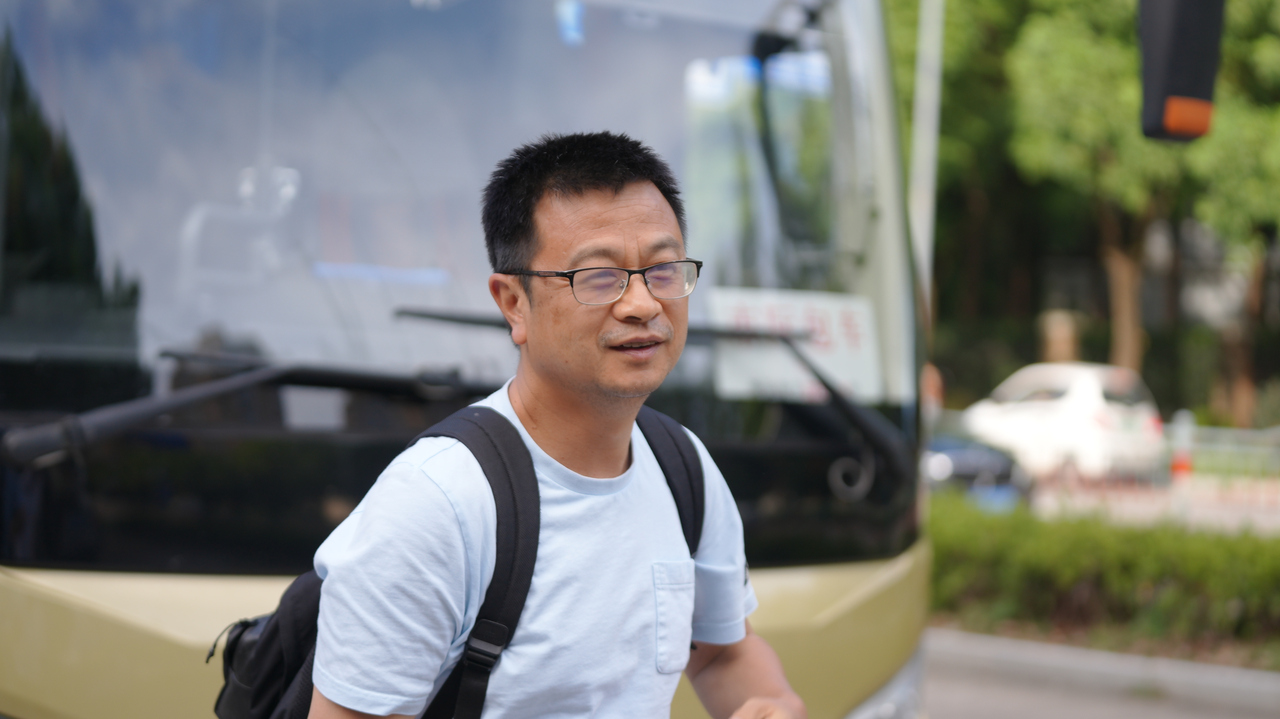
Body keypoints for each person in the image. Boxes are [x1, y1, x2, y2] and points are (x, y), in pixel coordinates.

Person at [307, 132, 805, 719]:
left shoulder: (683, 468)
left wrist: (774, 704)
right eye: (599, 278)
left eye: (663, 270)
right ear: (513, 303)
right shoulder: (437, 505)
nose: (643, 304)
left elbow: (721, 653)